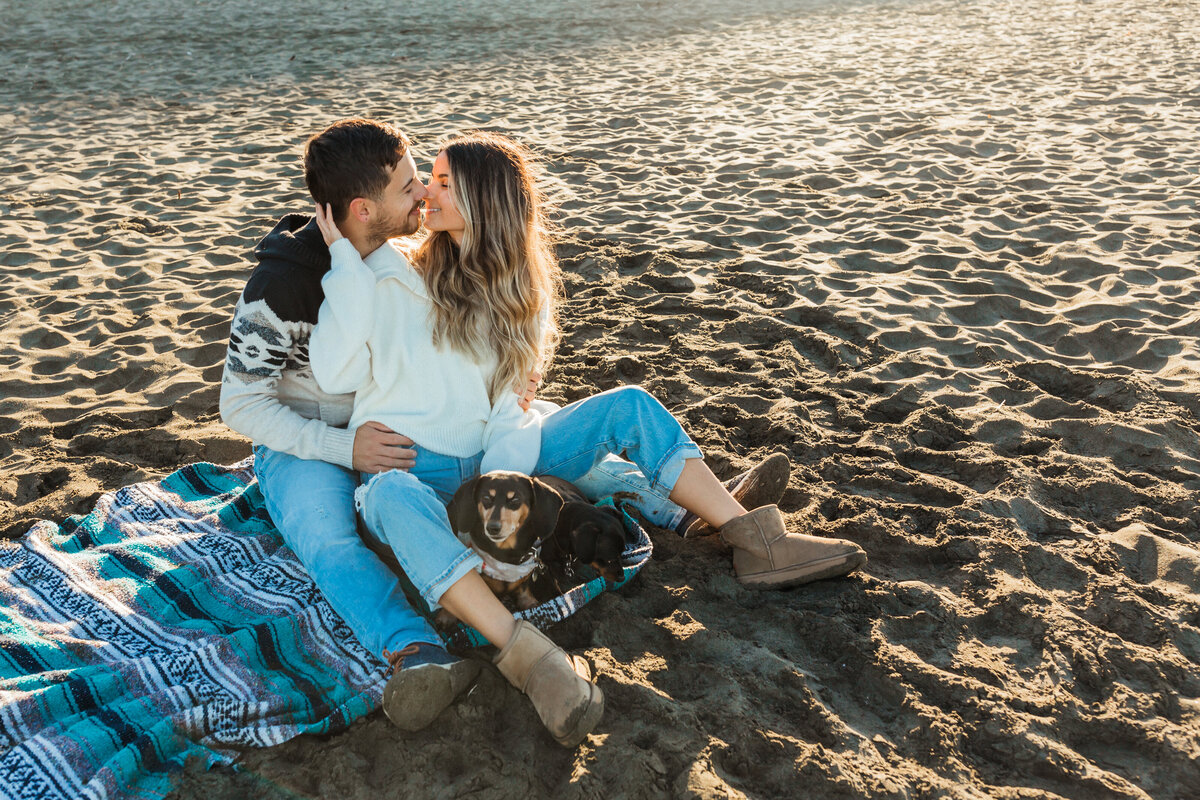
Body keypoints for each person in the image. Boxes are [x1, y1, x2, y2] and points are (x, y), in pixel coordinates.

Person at [218, 118, 795, 745]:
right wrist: (341, 446)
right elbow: (242, 406)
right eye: (413, 185)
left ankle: (693, 509)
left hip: (405, 429)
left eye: (429, 182)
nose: (421, 195)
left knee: (553, 418)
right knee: (330, 538)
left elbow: (471, 388)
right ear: (365, 208)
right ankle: (417, 652)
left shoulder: (422, 262)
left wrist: (513, 398)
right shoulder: (285, 284)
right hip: (308, 438)